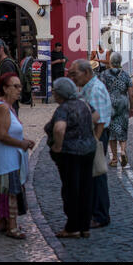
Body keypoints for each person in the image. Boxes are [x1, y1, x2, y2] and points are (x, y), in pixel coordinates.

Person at [44, 77, 98, 238]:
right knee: (86, 188)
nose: (53, 93)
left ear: (61, 94)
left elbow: (60, 128)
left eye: (54, 90)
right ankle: (85, 226)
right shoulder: (84, 104)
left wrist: (57, 146)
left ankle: (72, 227)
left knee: (71, 189)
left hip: (70, 153)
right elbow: (96, 117)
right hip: (88, 150)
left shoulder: (64, 108)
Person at [0, 72, 35, 239]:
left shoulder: (4, 106)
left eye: (20, 86)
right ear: (5, 89)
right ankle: (12, 227)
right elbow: (2, 135)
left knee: (3, 190)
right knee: (11, 191)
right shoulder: (3, 108)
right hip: (5, 158)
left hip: (2, 157)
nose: (19, 89)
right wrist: (22, 144)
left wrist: (23, 140)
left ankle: (2, 221)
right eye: (15, 86)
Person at [68, 59, 111, 229]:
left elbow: (99, 120)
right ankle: (96, 212)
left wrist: (93, 143)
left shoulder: (94, 90)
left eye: (74, 73)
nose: (72, 77)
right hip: (92, 136)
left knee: (97, 175)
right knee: (92, 176)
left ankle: (100, 215)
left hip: (96, 136)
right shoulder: (88, 88)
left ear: (86, 73)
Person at [100, 52, 133, 168]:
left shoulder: (104, 74)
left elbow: (101, 90)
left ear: (110, 62)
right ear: (120, 62)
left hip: (110, 104)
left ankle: (114, 159)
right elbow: (131, 93)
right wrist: (132, 107)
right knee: (123, 128)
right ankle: (123, 151)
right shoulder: (125, 75)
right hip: (123, 103)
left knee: (111, 131)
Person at [0, 38, 21, 116]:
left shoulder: (6, 65)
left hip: (9, 105)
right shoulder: (2, 63)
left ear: (1, 49)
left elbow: (10, 87)